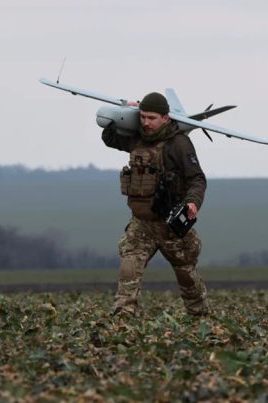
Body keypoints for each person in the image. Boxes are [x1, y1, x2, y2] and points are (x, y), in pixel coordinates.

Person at [102, 92, 209, 317]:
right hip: (141, 223)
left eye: (151, 118)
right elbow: (110, 138)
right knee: (128, 269)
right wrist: (123, 113)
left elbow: (197, 178)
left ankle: (200, 318)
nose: (146, 123)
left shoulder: (179, 144)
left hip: (170, 223)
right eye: (142, 117)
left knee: (186, 274)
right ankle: (123, 319)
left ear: (165, 118)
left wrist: (192, 202)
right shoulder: (137, 138)